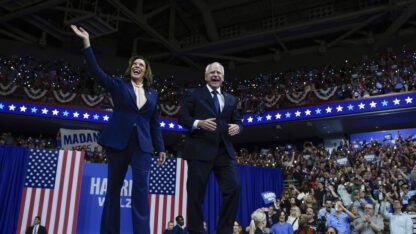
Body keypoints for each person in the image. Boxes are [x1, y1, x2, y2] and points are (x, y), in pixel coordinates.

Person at [70, 25, 166, 234]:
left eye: (141, 64)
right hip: (119, 143)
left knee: (141, 192)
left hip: (143, 146)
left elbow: (154, 123)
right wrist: (87, 43)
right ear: (130, 68)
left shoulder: (153, 94)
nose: (137, 66)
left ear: (146, 70)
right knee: (113, 190)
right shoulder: (119, 85)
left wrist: (161, 148)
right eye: (134, 64)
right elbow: (96, 71)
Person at [178, 62, 243, 234]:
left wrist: (238, 127)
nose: (215, 75)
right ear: (206, 76)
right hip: (199, 150)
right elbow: (183, 117)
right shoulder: (193, 93)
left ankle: (224, 230)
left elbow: (238, 121)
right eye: (212, 72)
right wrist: (198, 123)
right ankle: (196, 230)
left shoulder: (231, 99)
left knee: (234, 187)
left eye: (219, 73)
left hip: (224, 151)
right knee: (195, 195)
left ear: (223, 77)